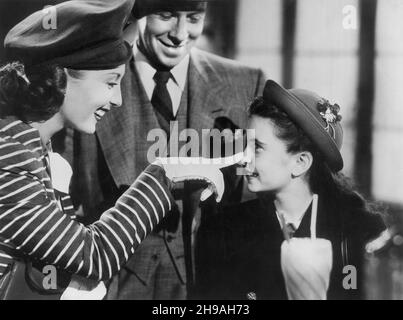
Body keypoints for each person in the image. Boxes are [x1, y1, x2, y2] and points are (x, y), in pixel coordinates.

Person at [0, 0, 233, 300]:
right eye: (111, 83)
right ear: (62, 77)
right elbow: (93, 256)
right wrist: (164, 173)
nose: (118, 100)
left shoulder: (31, 145)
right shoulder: (9, 153)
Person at [70, 0, 265, 299]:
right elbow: (67, 206)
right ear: (139, 14)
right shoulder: (89, 83)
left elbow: (257, 205)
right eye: (166, 15)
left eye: (194, 18)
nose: (180, 33)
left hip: (210, 290)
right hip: (109, 287)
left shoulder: (245, 84)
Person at [196, 80, 387, 300]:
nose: (242, 157)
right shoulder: (224, 230)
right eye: (244, 145)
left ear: (300, 162)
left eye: (257, 148)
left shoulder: (359, 229)